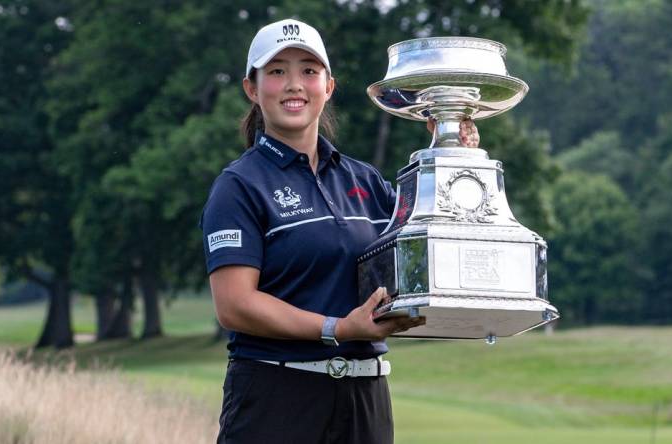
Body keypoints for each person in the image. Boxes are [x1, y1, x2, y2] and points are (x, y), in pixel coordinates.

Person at [201, 18, 479, 444]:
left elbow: (427, 241)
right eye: (277, 71)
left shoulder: (365, 181)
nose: (294, 84)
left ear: (328, 86)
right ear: (252, 90)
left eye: (308, 71)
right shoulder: (239, 186)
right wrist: (337, 328)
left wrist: (450, 158)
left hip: (365, 399)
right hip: (277, 397)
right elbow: (235, 305)